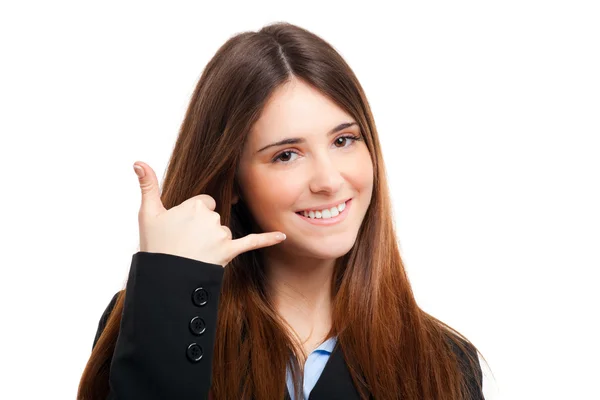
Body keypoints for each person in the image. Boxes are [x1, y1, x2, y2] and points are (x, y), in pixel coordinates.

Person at [78, 22, 485, 400]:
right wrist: (171, 275)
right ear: (233, 181)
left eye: (343, 141)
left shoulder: (445, 360)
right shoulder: (161, 317)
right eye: (287, 155)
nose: (328, 180)